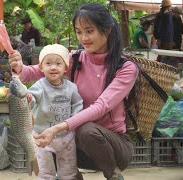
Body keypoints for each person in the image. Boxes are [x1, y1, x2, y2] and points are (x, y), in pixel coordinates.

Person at [9, 3, 139, 180]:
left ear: (107, 30)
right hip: (75, 142)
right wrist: (18, 68)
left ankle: (113, 174)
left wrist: (58, 128)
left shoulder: (125, 68)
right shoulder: (75, 59)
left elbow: (100, 107)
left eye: (89, 30)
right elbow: (36, 71)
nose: (83, 37)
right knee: (49, 135)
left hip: (113, 146)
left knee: (85, 130)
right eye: (79, 32)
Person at [24, 44, 83, 179]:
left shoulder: (71, 87)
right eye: (48, 63)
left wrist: (74, 121)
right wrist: (28, 98)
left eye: (58, 63)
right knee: (45, 172)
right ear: (41, 67)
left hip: (66, 137)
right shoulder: (40, 86)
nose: (53, 67)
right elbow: (32, 98)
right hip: (41, 136)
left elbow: (78, 104)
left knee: (69, 171)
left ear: (65, 67)